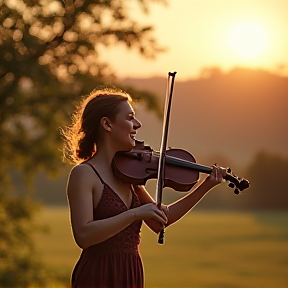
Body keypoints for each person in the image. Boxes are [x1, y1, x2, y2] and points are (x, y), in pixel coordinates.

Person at [62, 88, 226, 288]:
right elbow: (84, 236)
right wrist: (134, 214)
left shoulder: (128, 175)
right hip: (99, 274)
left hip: (130, 273)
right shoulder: (84, 174)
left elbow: (161, 220)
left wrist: (205, 186)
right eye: (130, 118)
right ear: (107, 124)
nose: (137, 125)